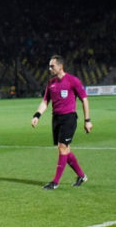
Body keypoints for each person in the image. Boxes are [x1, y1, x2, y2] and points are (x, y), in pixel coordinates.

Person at [31, 55, 92, 190]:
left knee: (62, 148)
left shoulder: (72, 80)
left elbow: (84, 100)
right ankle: (82, 176)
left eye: (52, 66)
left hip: (69, 118)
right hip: (56, 119)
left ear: (60, 66)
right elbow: (45, 101)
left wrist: (87, 120)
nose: (50, 69)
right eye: (49, 66)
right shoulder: (51, 83)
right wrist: (37, 115)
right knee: (65, 150)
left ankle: (55, 182)